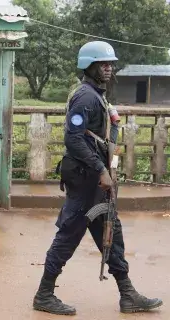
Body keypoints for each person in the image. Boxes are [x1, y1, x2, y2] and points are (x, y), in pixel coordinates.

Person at [32, 41, 163, 316]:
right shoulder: (85, 97)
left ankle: (127, 294)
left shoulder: (98, 97)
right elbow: (74, 139)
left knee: (110, 233)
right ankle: (44, 294)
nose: (109, 67)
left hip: (96, 182)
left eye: (110, 63)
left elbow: (102, 142)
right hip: (85, 180)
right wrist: (101, 170)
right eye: (103, 63)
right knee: (69, 235)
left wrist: (113, 126)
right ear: (88, 66)